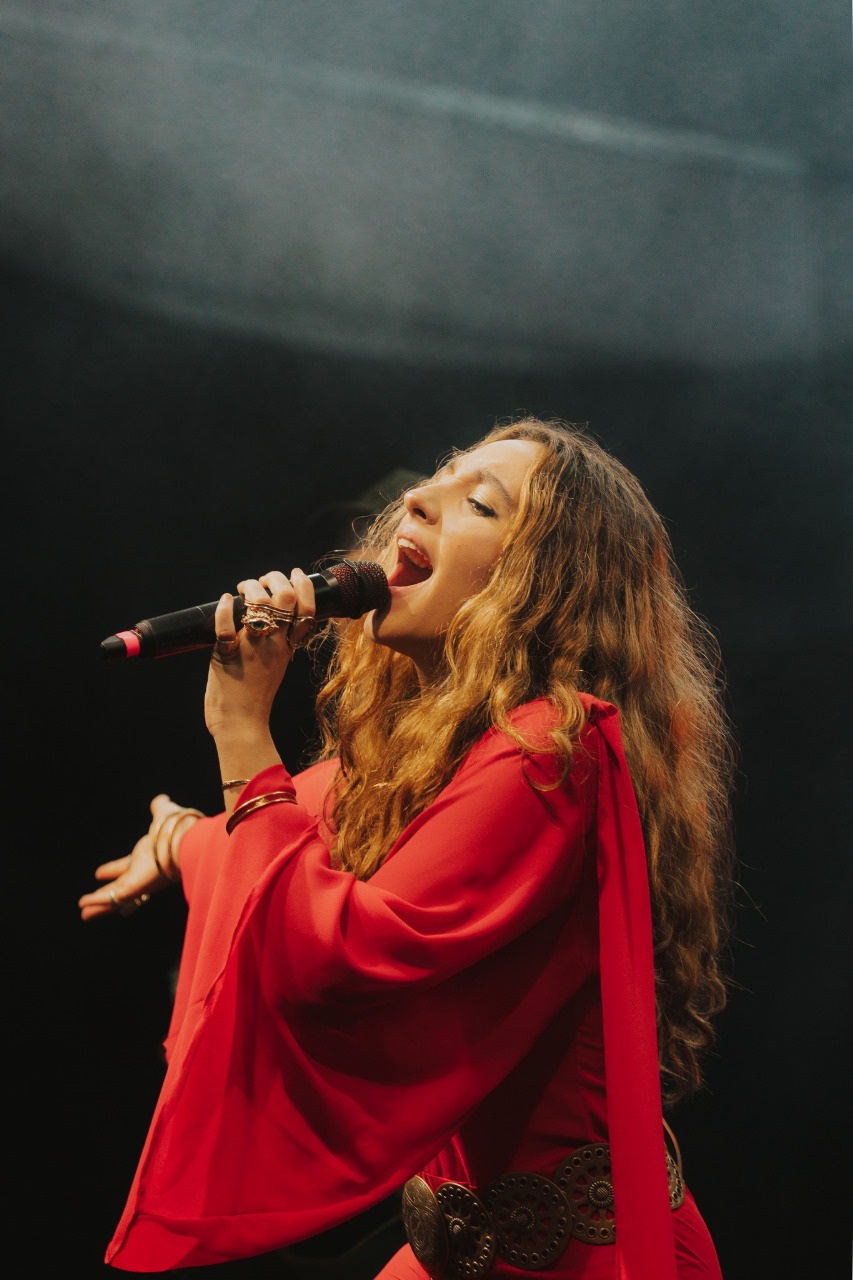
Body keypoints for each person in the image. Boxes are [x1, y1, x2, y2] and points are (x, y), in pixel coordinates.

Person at [79, 416, 735, 1279]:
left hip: (574, 1260)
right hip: (458, 1252)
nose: (417, 500)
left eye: (479, 504)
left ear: (544, 584)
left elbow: (336, 953)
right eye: (436, 478)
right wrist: (175, 841)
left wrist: (240, 726)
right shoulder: (422, 752)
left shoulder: (551, 749)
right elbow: (276, 842)